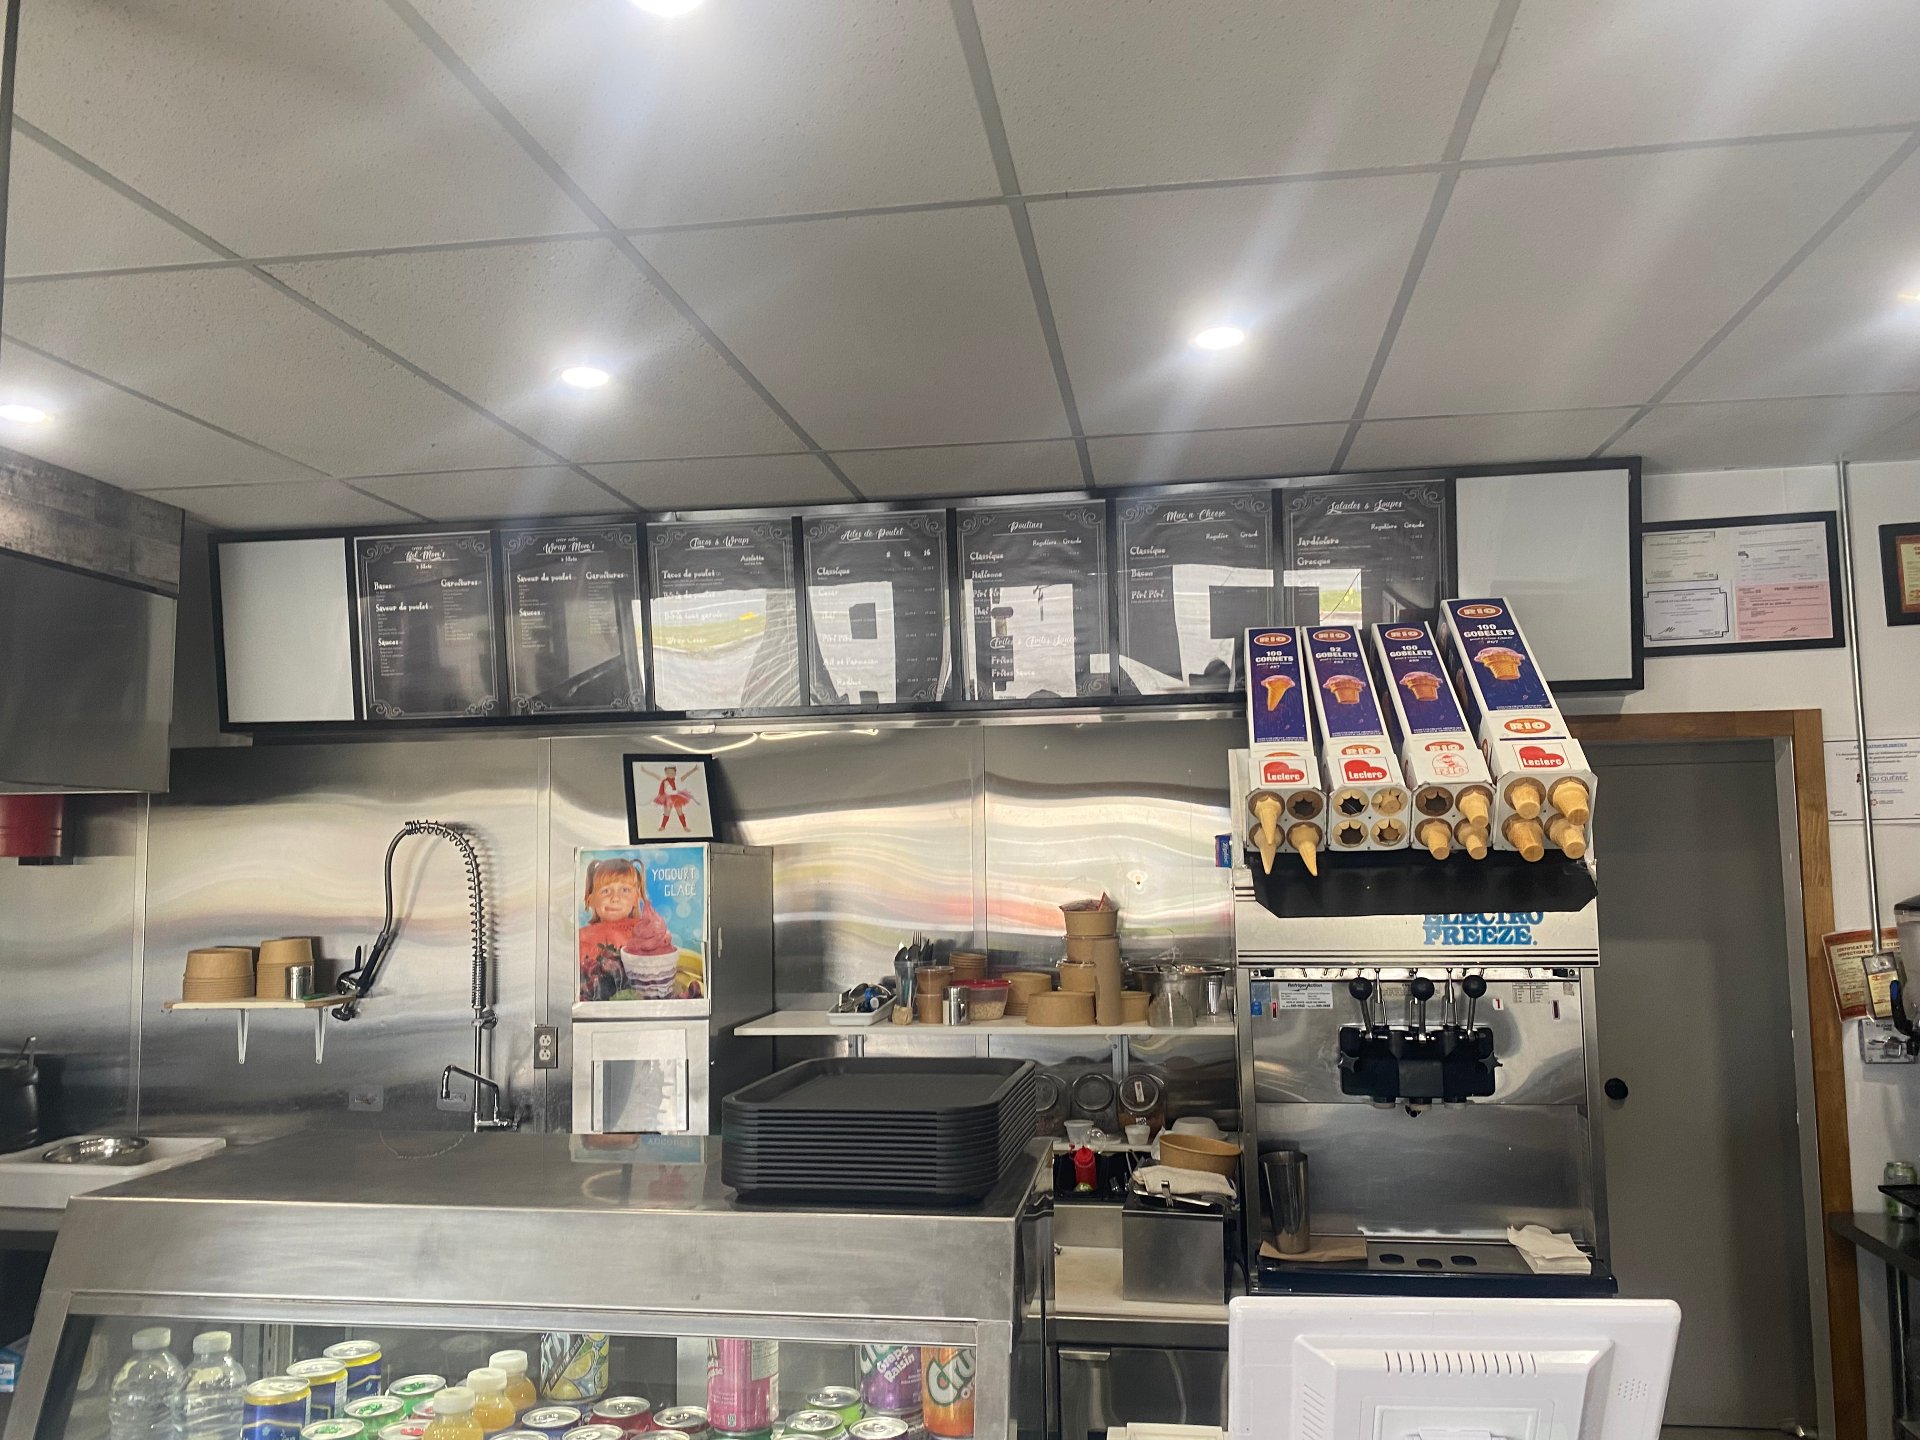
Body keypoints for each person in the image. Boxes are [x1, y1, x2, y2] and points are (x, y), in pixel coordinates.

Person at [577, 857, 672, 999]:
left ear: (636, 898)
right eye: (605, 891)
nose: (615, 898)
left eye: (625, 890)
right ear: (590, 900)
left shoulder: (645, 931)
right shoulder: (583, 937)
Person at [654, 765, 693, 832]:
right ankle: (663, 826)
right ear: (665, 773)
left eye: (672, 773)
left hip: (677, 798)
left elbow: (685, 776)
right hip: (668, 798)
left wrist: (693, 770)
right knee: (667, 813)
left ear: (675, 773)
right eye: (668, 773)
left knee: (680, 812)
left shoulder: (677, 780)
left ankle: (685, 826)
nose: (670, 774)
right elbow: (655, 776)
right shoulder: (664, 781)